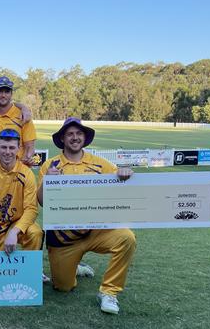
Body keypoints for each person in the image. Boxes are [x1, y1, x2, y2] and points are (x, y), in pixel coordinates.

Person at [37, 117, 136, 315]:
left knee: (127, 238)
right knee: (63, 287)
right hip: (65, 239)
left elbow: (122, 177)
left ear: (85, 137)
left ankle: (109, 292)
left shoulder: (100, 164)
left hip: (96, 231)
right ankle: (75, 267)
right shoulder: (50, 165)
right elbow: (41, 201)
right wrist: (48, 181)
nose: (75, 137)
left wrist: (126, 172)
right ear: (63, 139)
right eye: (70, 134)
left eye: (79, 133)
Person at [0, 129, 43, 254]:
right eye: (4, 147)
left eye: (12, 148)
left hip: (17, 223)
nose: (7, 152)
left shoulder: (26, 174)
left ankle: (31, 270)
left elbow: (32, 209)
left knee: (35, 232)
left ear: (19, 148)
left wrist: (15, 231)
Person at [0, 76, 37, 165]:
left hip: (15, 172)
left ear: (11, 94)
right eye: (0, 91)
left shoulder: (23, 116)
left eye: (7, 92)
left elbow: (29, 148)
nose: (3, 95)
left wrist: (21, 166)